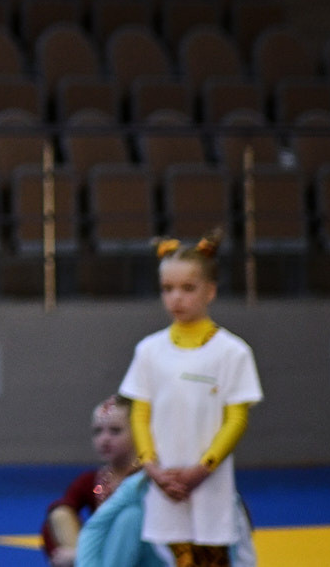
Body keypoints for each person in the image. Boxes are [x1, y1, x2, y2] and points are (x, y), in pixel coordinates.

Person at [115, 232, 262, 567]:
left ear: (209, 291)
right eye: (167, 289)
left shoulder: (232, 352)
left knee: (213, 558)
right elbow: (140, 413)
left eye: (187, 288)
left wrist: (202, 468)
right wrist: (151, 466)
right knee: (177, 559)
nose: (176, 298)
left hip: (208, 483)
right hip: (164, 481)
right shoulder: (149, 350)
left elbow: (237, 419)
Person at [42, 396, 142, 565]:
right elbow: (52, 525)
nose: (105, 439)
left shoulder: (146, 477)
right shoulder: (91, 481)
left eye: (115, 430)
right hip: (98, 553)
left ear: (137, 431)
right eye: (98, 431)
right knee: (60, 514)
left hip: (138, 552)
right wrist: (70, 552)